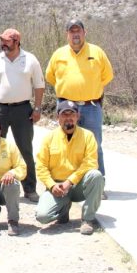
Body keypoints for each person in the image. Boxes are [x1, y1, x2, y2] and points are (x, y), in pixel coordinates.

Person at [46, 19, 113, 187]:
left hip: (91, 107)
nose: (75, 34)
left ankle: (98, 184)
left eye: (78, 31)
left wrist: (89, 89)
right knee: (65, 145)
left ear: (84, 33)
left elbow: (107, 76)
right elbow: (50, 77)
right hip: (66, 109)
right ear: (67, 34)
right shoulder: (58, 54)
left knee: (94, 146)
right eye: (72, 31)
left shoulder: (97, 52)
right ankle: (66, 183)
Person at [0, 28, 44, 202]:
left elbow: (39, 85)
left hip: (22, 109)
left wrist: (37, 109)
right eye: (2, 40)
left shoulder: (30, 60)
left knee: (25, 149)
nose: (3, 44)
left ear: (16, 41)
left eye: (6, 41)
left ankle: (30, 188)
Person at [35, 101, 104, 235]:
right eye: (64, 114)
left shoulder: (87, 136)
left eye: (71, 114)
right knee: (42, 217)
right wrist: (51, 185)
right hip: (57, 187)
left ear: (78, 116)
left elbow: (91, 162)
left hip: (79, 185)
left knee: (96, 175)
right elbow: (41, 166)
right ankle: (64, 208)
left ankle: (87, 219)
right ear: (57, 117)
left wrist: (70, 181)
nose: (68, 117)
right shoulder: (49, 138)